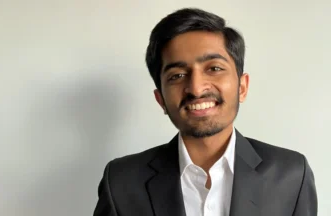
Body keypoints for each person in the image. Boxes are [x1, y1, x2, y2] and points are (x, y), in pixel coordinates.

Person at [93, 8, 317, 216]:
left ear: (242, 87)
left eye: (214, 68)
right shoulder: (121, 181)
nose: (197, 88)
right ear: (160, 99)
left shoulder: (292, 174)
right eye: (177, 75)